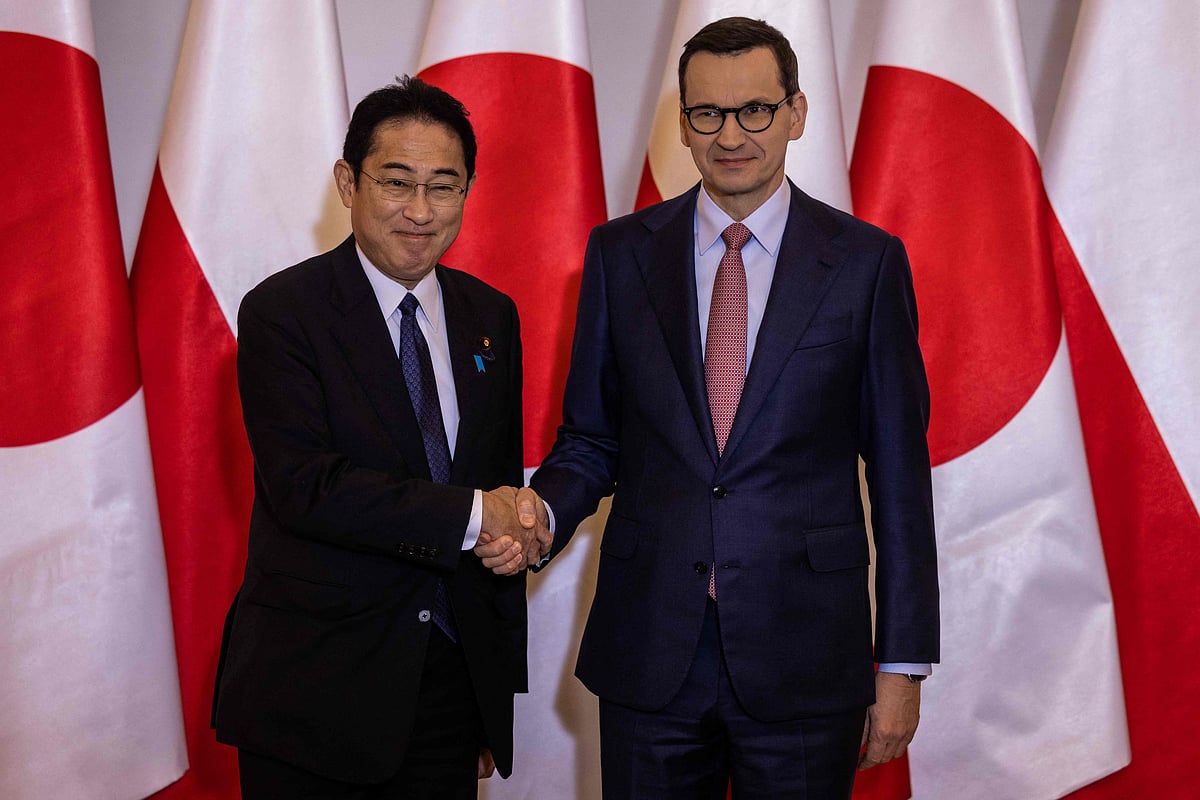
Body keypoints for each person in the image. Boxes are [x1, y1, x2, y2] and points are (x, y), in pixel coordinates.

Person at [481, 16, 939, 799]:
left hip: (805, 654)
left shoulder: (865, 264)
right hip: (651, 649)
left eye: (755, 110)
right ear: (684, 123)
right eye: (708, 114)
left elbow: (899, 475)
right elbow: (592, 439)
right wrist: (542, 517)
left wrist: (900, 663)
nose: (732, 134)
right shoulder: (619, 254)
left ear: (796, 113)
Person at [212, 76, 543, 800]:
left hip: (449, 695)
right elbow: (307, 488)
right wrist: (474, 514)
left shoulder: (492, 315)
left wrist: (491, 698)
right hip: (314, 698)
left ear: (467, 191)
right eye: (397, 182)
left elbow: (493, 486)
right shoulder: (283, 313)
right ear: (347, 181)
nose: (420, 212)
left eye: (443, 186)